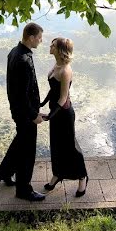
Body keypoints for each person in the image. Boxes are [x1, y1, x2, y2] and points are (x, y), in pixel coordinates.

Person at [0, 22, 46, 201]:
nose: (41, 41)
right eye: (39, 37)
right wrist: (33, 116)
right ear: (31, 37)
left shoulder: (14, 52)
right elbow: (22, 95)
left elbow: (16, 90)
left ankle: (4, 172)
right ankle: (24, 190)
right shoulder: (22, 60)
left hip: (19, 111)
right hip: (25, 114)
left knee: (19, 143)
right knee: (27, 152)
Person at [41, 37, 88, 197]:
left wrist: (49, 116)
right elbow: (53, 89)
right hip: (55, 111)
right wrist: (42, 103)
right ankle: (58, 174)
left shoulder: (66, 70)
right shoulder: (56, 64)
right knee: (56, 145)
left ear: (60, 50)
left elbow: (62, 97)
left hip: (64, 114)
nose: (50, 46)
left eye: (52, 45)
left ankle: (82, 177)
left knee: (70, 147)